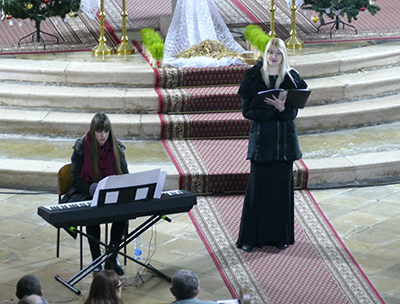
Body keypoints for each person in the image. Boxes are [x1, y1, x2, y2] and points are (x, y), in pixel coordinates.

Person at [236, 38, 308, 253]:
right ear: (265, 54)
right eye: (270, 52)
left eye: (278, 53)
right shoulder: (254, 77)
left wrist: (282, 109)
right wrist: (272, 109)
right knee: (257, 192)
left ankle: (280, 237)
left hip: (284, 145)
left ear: (284, 55)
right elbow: (247, 111)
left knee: (280, 193)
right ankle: (250, 238)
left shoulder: (291, 77)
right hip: (262, 143)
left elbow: (294, 110)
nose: (274, 56)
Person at [67, 112, 129, 276]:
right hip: (89, 191)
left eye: (106, 131)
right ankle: (96, 260)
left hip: (111, 192)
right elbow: (75, 179)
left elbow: (124, 173)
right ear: (93, 131)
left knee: (123, 213)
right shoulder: (82, 147)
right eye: (99, 131)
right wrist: (91, 188)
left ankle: (112, 256)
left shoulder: (116, 146)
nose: (103, 135)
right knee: (92, 215)